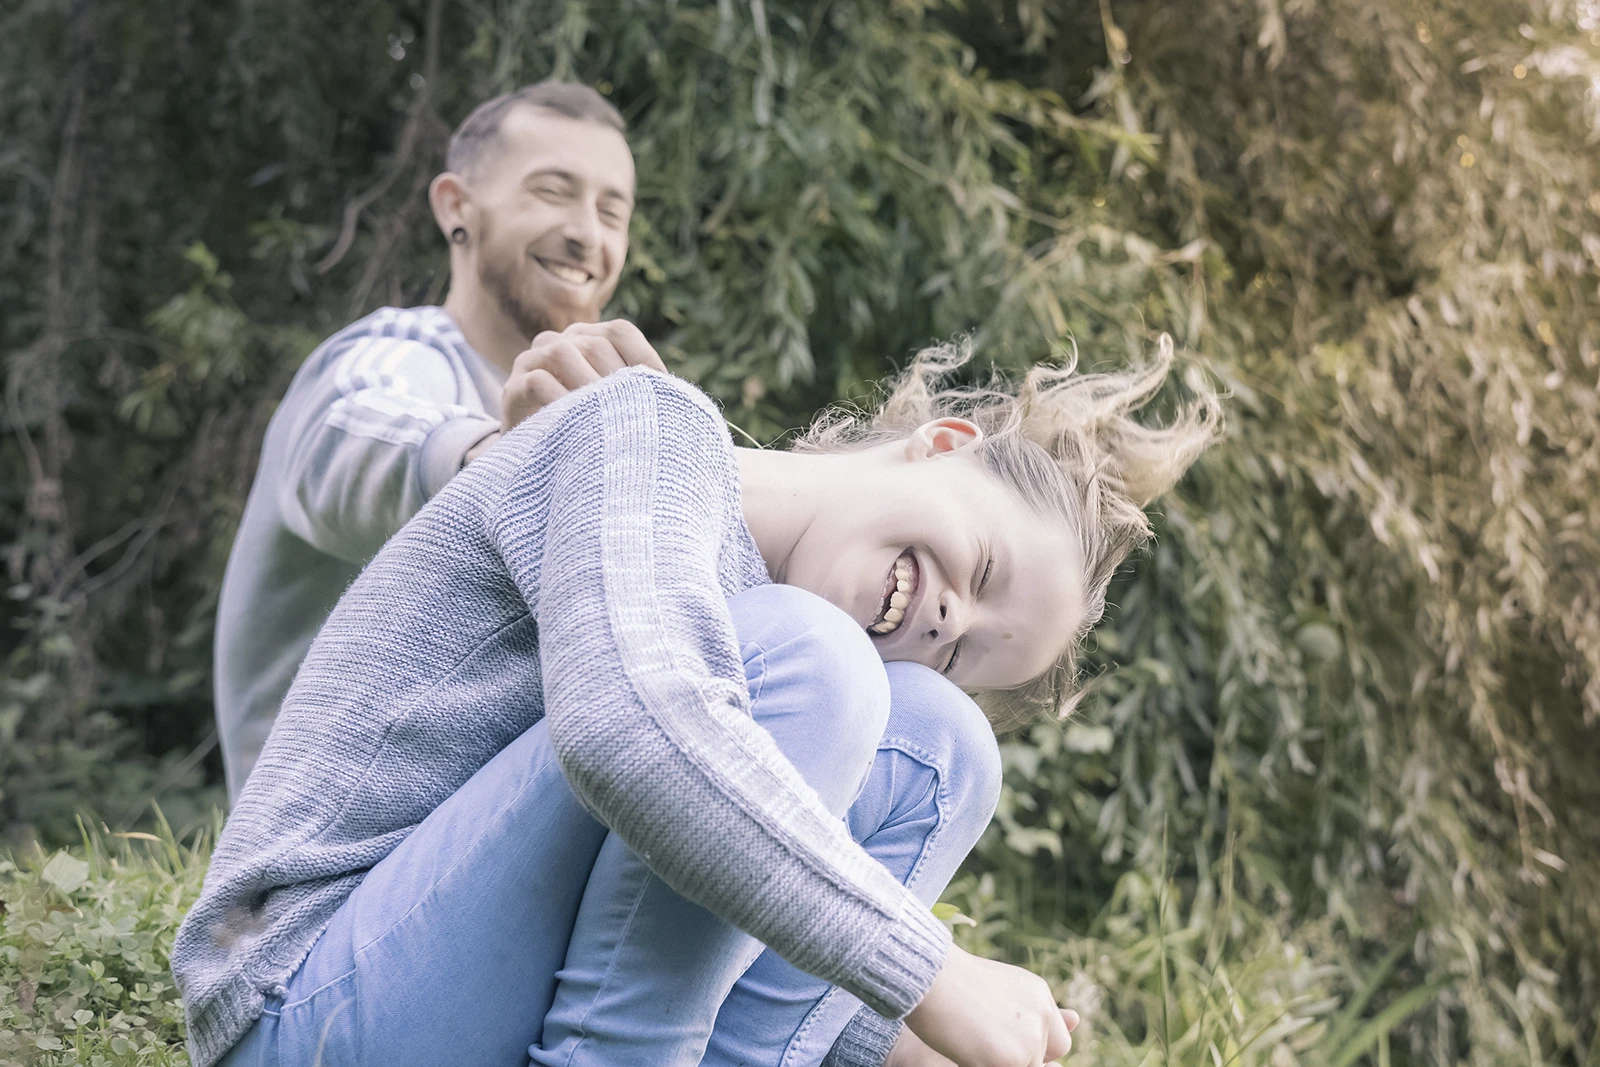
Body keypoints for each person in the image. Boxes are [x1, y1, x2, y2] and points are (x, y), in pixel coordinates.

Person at [172, 337, 1221, 1067]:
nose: (948, 619)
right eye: (981, 565)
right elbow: (629, 733)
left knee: (944, 748)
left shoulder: (795, 660)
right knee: (805, 664)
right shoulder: (646, 429)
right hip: (302, 1003)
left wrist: (894, 1035)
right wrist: (930, 968)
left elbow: (657, 946)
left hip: (462, 993)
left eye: (968, 648)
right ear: (944, 446)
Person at [213, 80, 665, 800]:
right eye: (553, 191)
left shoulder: (583, 405)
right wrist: (500, 459)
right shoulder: (400, 353)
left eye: (613, 210)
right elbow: (346, 437)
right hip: (319, 842)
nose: (588, 231)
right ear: (457, 207)